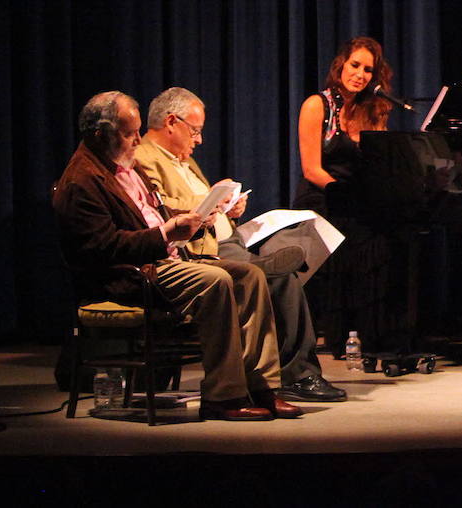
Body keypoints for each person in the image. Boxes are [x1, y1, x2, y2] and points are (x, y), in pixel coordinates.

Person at [53, 91, 301, 420]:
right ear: (101, 135)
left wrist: (196, 221)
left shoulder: (123, 167)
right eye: (130, 133)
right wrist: (166, 234)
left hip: (163, 261)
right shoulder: (82, 181)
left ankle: (262, 386)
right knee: (216, 280)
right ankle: (223, 396)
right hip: (130, 275)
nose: (137, 139)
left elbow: (154, 211)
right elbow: (105, 247)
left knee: (251, 276)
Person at [135, 87, 347, 402]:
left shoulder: (185, 160)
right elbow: (159, 209)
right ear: (170, 122)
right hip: (201, 252)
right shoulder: (145, 157)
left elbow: (202, 206)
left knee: (294, 252)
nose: (199, 140)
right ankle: (298, 376)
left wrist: (228, 207)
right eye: (195, 130)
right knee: (278, 278)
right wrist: (211, 201)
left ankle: (296, 372)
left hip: (229, 240)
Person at [294, 36, 400, 357]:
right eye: (355, 65)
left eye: (368, 69)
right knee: (343, 231)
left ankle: (373, 338)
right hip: (323, 196)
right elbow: (311, 168)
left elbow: (378, 163)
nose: (360, 74)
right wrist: (343, 193)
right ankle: (336, 337)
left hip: (357, 199)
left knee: (385, 236)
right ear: (341, 64)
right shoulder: (317, 105)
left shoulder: (376, 110)